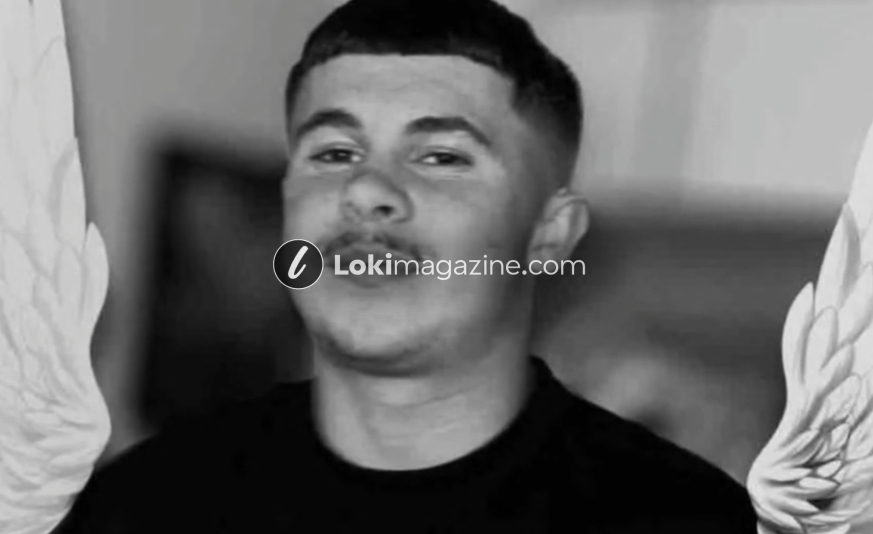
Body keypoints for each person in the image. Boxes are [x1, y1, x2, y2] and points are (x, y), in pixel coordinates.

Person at [58, 0, 758, 531]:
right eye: (334, 153)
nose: (366, 190)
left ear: (548, 237)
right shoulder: (141, 504)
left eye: (441, 157)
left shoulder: (685, 517)